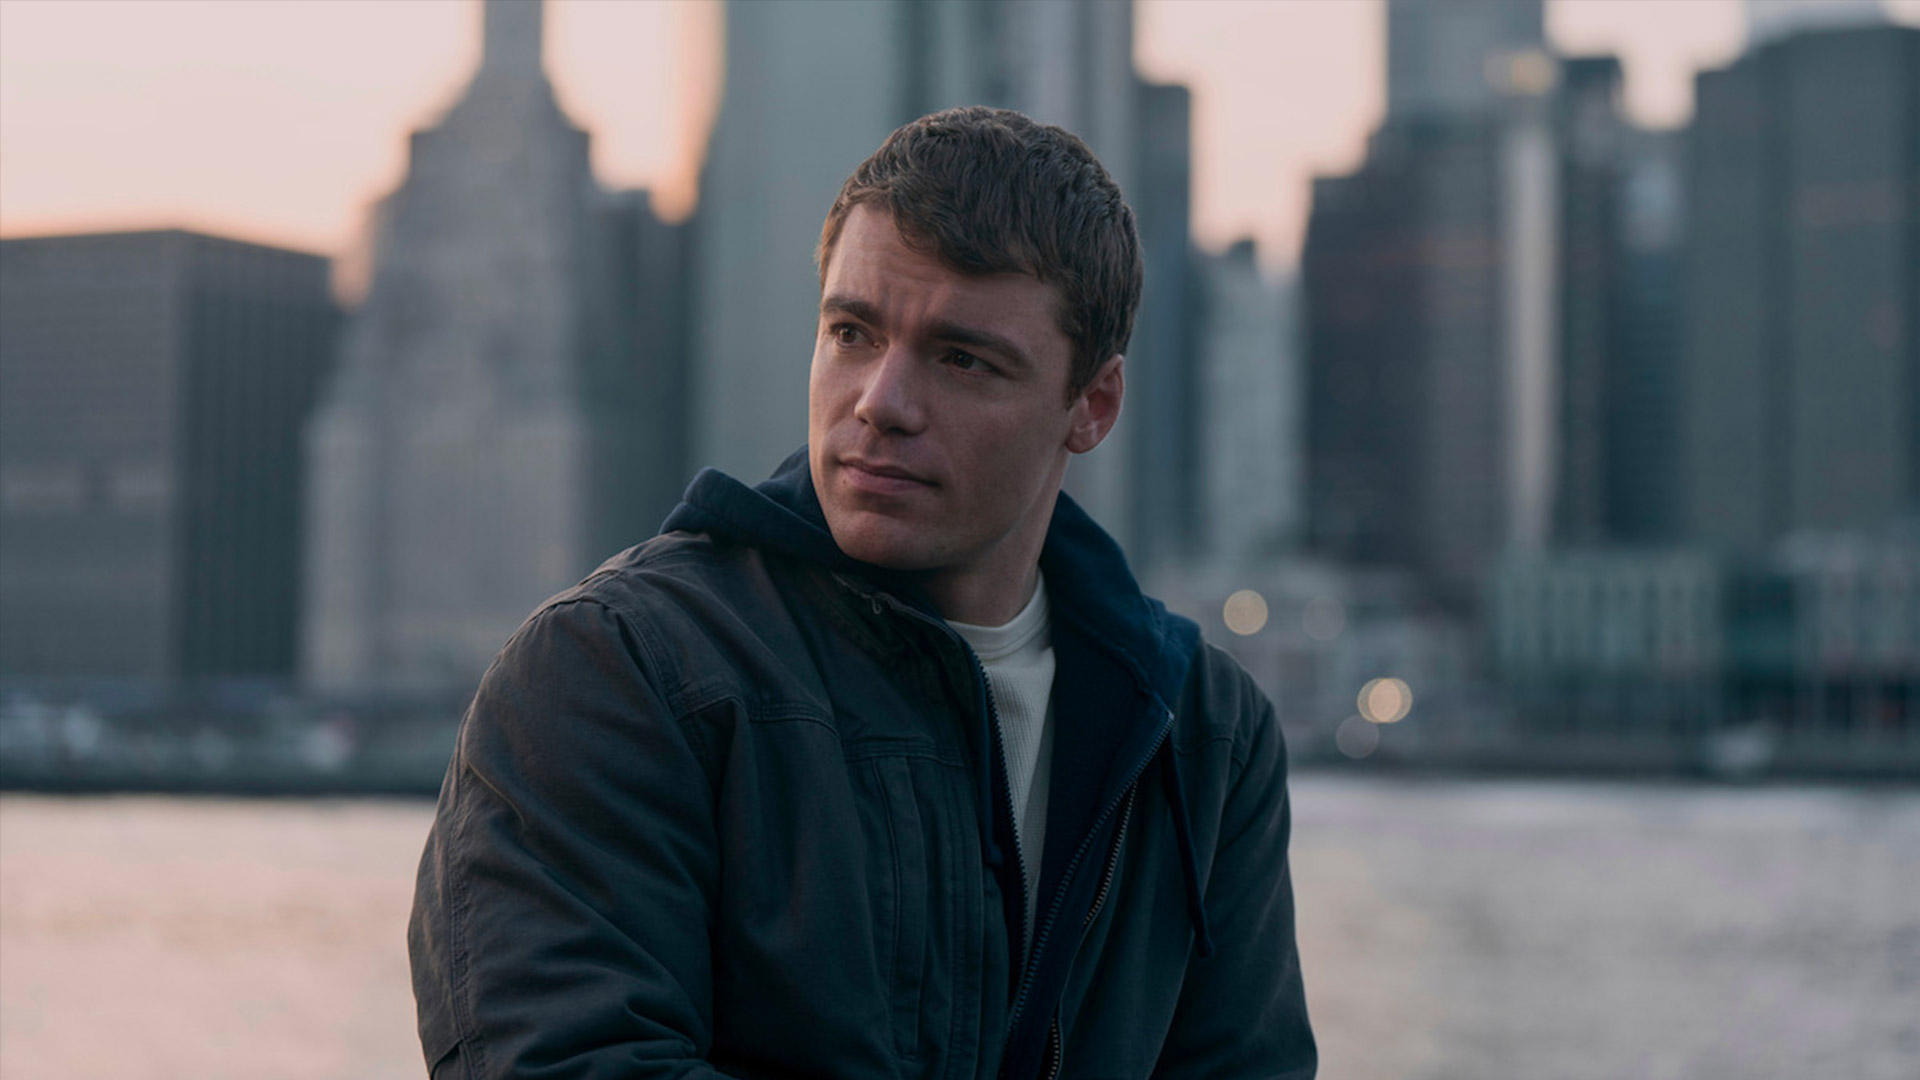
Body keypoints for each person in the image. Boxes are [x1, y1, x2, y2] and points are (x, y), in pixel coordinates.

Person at [409, 105, 1316, 1079]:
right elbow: (560, 1062)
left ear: (1091, 405)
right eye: (852, 332)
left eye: (963, 359)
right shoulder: (615, 671)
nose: (880, 403)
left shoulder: (1206, 732)